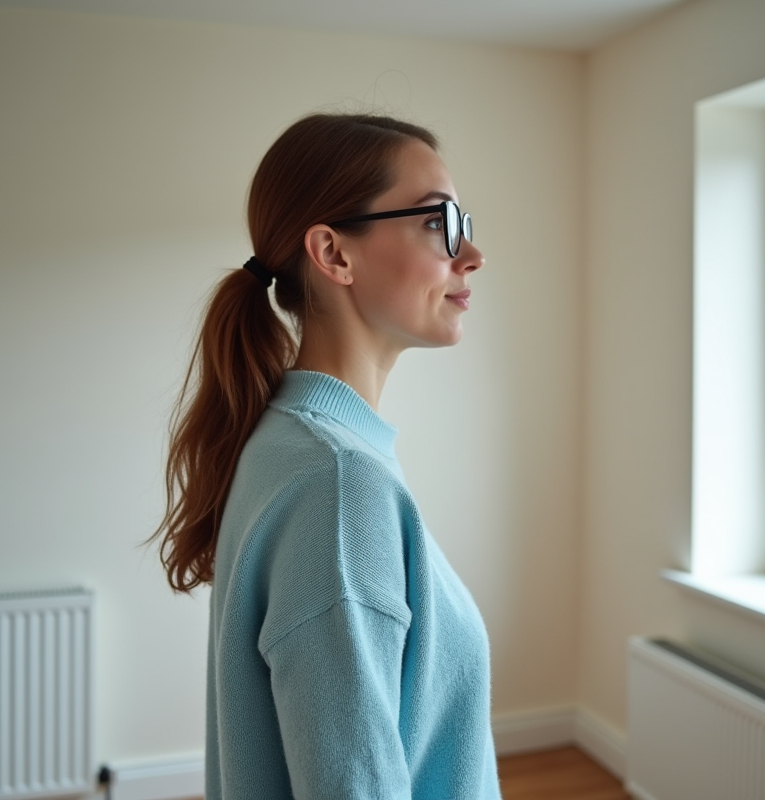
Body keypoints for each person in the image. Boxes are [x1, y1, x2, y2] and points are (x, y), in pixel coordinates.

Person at [150, 113, 499, 800]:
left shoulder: (296, 441)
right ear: (334, 253)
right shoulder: (338, 483)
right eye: (439, 222)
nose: (473, 252)